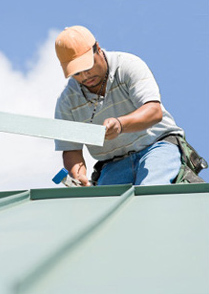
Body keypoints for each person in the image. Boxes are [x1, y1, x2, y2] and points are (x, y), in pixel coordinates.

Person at [54, 25, 185, 187]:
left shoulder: (127, 66)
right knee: (107, 205)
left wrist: (120, 124)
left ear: (98, 49)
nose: (85, 76)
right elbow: (71, 149)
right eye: (77, 73)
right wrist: (78, 176)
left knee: (150, 191)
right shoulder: (67, 102)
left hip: (156, 146)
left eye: (87, 67)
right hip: (113, 164)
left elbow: (154, 111)